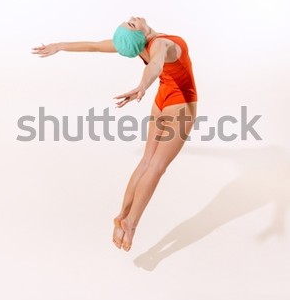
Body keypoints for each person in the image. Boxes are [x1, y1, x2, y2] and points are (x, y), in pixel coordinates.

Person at [31, 16, 198, 252]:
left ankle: (122, 215)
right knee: (157, 167)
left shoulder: (139, 46)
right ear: (139, 35)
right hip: (179, 103)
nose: (132, 19)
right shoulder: (159, 43)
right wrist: (142, 86)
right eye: (131, 25)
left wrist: (60, 46)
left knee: (146, 162)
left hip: (161, 103)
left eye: (128, 23)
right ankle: (131, 223)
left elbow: (95, 46)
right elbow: (156, 65)